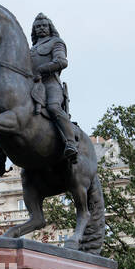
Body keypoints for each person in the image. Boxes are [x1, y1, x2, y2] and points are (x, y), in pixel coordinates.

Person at [28, 13, 78, 162]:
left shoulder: (56, 42)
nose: (41, 28)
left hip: (50, 83)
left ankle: (70, 142)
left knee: (53, 107)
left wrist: (41, 70)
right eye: (37, 27)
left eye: (44, 26)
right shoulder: (32, 49)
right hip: (32, 85)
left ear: (50, 27)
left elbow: (62, 62)